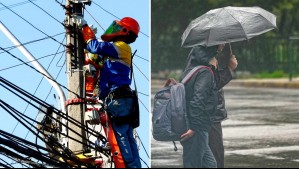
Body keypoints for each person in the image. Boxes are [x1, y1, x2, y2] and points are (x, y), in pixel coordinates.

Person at [78, 17, 141, 168]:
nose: (114, 30)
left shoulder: (121, 47)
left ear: (124, 31)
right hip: (123, 98)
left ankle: (128, 165)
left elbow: (94, 47)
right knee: (127, 134)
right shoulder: (117, 52)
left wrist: (84, 28)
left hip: (118, 97)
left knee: (121, 135)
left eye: (117, 27)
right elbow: (97, 60)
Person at [180, 46, 219, 168]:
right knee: (193, 164)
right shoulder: (205, 72)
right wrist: (194, 128)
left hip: (193, 125)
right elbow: (198, 100)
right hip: (197, 128)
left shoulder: (191, 70)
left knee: (210, 165)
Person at [209, 44, 238, 168]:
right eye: (221, 41)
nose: (224, 44)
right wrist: (230, 69)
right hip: (209, 115)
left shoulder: (208, 56)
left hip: (210, 114)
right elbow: (212, 85)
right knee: (216, 156)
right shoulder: (206, 58)